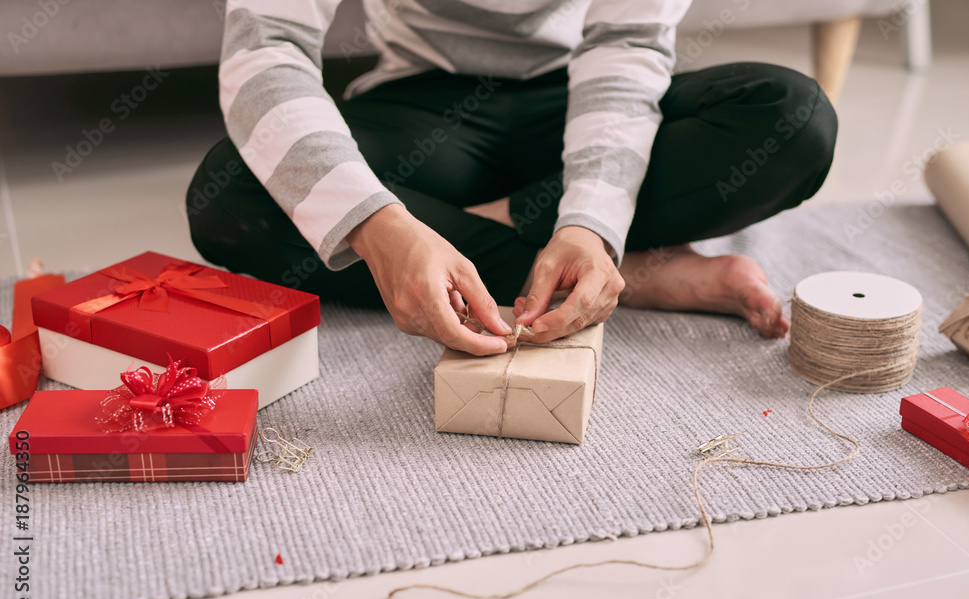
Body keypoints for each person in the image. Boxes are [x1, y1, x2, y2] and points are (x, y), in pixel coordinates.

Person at [187, 0, 837, 356]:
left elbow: (627, 49)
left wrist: (591, 221)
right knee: (230, 190)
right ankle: (633, 274)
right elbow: (266, 46)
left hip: (579, 93)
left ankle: (532, 237)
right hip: (424, 106)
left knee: (793, 119)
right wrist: (375, 224)